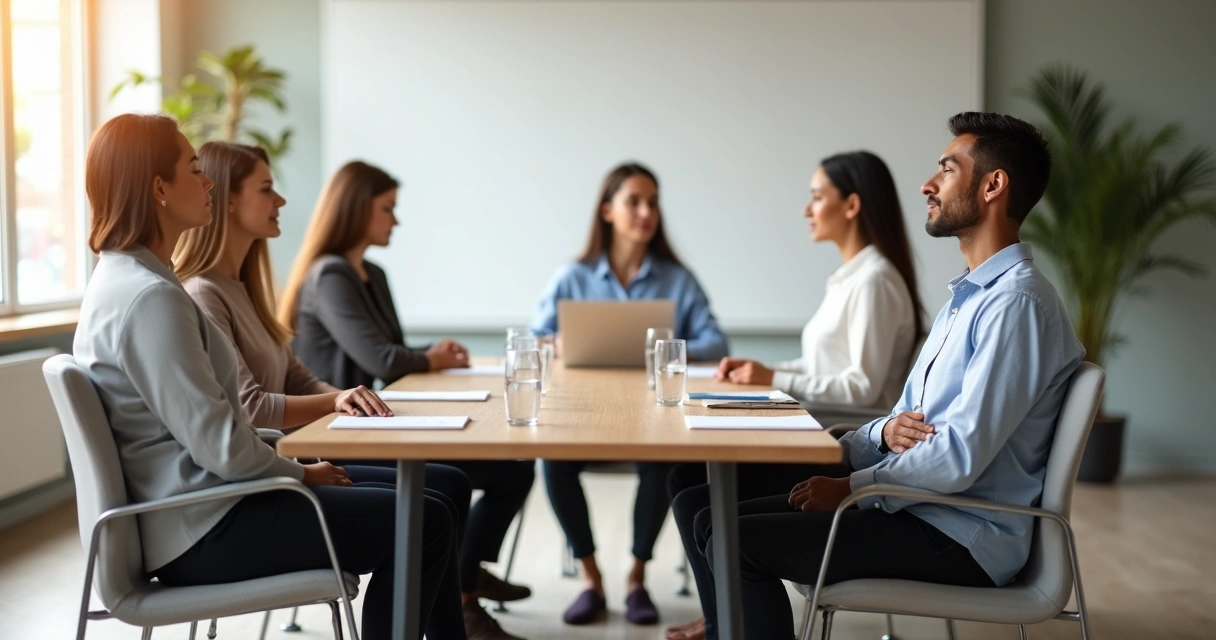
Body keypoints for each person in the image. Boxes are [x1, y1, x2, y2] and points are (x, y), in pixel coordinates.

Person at [688, 112, 1084, 639]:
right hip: (926, 508)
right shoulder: (967, 300)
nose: (927, 184)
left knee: (733, 541)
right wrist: (864, 441)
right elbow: (905, 420)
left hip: (960, 531)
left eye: (946, 169)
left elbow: (960, 455)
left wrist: (853, 485)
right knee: (706, 516)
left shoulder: (1017, 305)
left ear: (993, 185)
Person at [73, 114, 467, 640]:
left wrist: (295, 465)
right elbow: (223, 446)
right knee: (424, 521)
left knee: (431, 505)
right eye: (195, 169)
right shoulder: (151, 299)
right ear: (159, 188)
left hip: (200, 511)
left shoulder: (126, 282)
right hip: (206, 528)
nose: (207, 180)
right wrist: (302, 474)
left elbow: (216, 431)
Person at [665, 150, 925, 640]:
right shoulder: (850, 278)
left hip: (838, 446)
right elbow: (824, 368)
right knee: (684, 479)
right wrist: (768, 371)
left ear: (851, 205)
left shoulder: (875, 282)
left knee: (691, 492)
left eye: (816, 197)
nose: (807, 209)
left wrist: (777, 380)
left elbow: (863, 388)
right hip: (819, 429)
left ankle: (726, 622)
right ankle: (724, 620)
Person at [279, 160, 536, 639]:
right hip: (337, 435)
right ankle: (463, 585)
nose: (395, 221)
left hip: (376, 419)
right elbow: (383, 358)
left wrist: (428, 358)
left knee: (508, 470)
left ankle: (463, 580)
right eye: (387, 209)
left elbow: (393, 354)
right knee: (499, 474)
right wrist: (431, 359)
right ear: (357, 210)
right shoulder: (330, 274)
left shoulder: (370, 272)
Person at [530, 163, 727, 626]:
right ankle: (591, 578)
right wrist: (555, 343)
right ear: (606, 211)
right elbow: (535, 339)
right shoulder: (571, 276)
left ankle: (637, 576)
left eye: (653, 202)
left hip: (652, 415)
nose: (647, 212)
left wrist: (662, 351)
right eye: (634, 201)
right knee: (551, 462)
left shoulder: (679, 279)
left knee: (662, 462)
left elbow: (716, 344)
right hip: (580, 414)